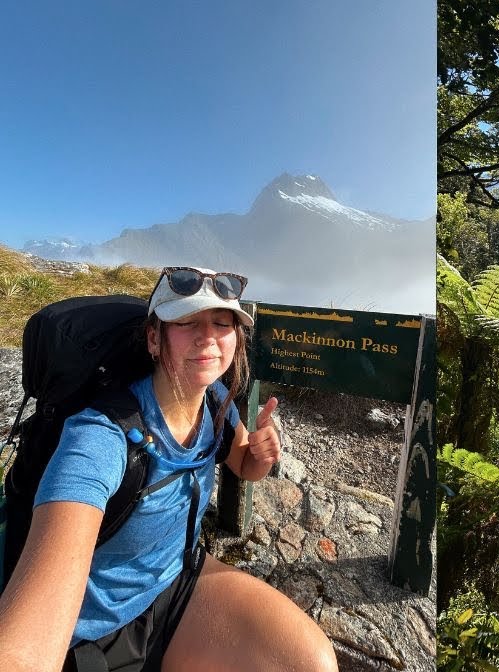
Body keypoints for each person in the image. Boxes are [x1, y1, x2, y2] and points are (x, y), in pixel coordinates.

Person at [0, 266, 338, 671]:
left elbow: (243, 464)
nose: (208, 336)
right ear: (154, 339)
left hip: (177, 583)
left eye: (221, 322)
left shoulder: (214, 400)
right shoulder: (99, 438)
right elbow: (25, 649)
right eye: (186, 322)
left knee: (309, 662)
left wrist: (259, 456)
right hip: (94, 634)